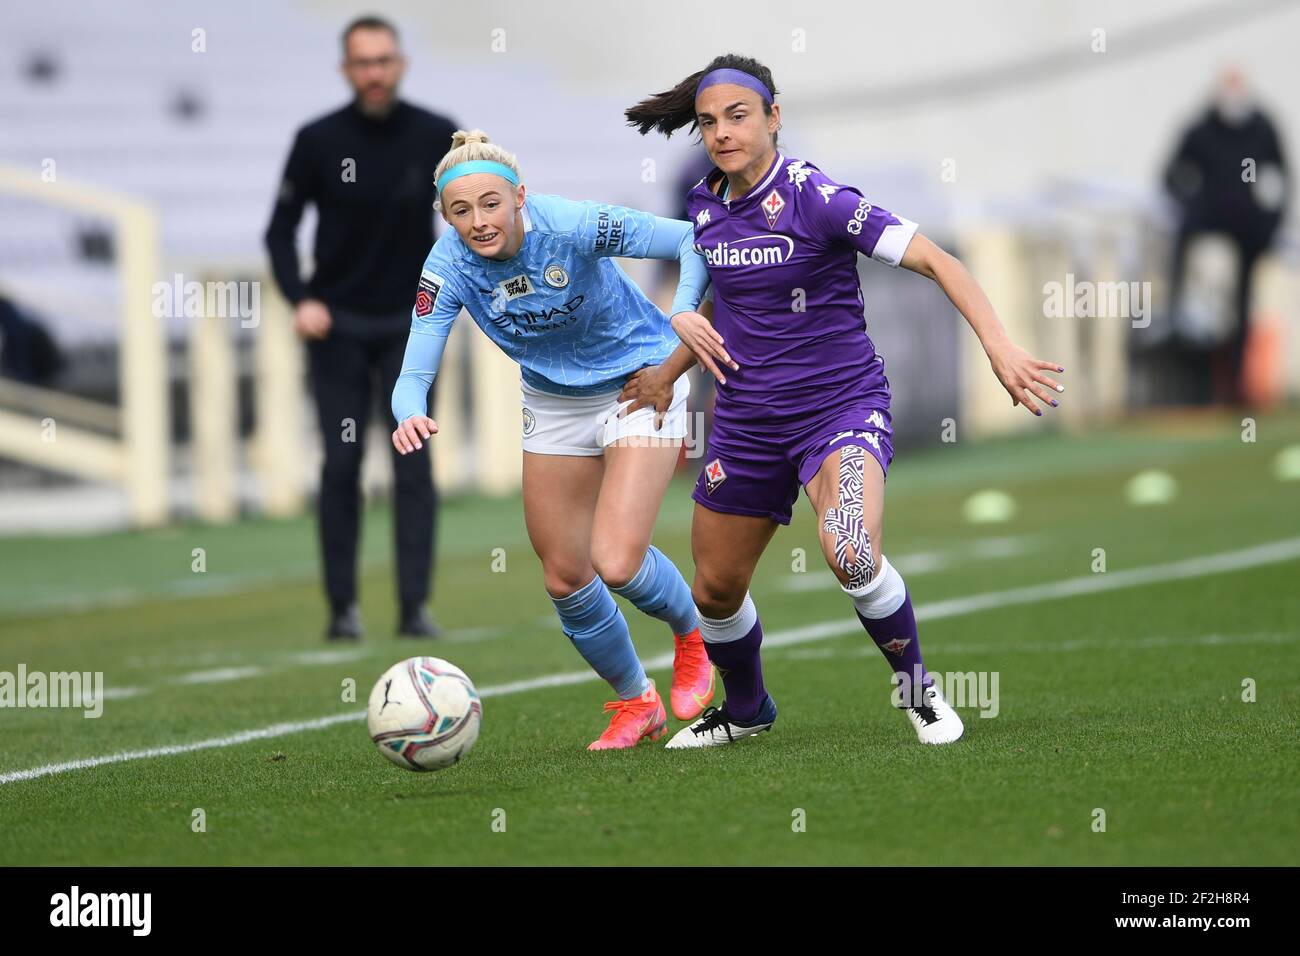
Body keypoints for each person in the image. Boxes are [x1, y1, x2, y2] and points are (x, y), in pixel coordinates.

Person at [622, 53, 1066, 747]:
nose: (722, 132)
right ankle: (746, 711)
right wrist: (669, 372)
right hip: (745, 421)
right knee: (713, 590)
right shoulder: (706, 203)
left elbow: (939, 261)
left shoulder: (819, 198)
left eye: (738, 116)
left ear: (774, 117)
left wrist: (1000, 347)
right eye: (709, 122)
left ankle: (919, 693)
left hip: (838, 409)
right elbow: (725, 300)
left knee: (852, 551)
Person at [390, 130, 716, 750]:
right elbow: (413, 373)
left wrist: (683, 313)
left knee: (615, 561)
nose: (479, 222)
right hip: (553, 402)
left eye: (491, 203)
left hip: (640, 383)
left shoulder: (571, 224)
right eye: (461, 211)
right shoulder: (446, 267)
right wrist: (409, 412)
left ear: (520, 197)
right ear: (445, 215)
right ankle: (635, 702)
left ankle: (692, 632)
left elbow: (689, 237)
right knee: (565, 576)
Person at [264, 16, 458, 640]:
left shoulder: (437, 134)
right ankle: (343, 610)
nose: (374, 72)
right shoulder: (317, 139)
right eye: (362, 62)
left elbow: (471, 218)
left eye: (383, 60)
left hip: (415, 326)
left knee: (413, 466)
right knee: (342, 464)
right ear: (347, 70)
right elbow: (279, 230)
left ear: (399, 64)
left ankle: (413, 609)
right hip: (338, 328)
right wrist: (300, 298)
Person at [1163, 65, 1289, 405]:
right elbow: (1171, 174)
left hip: (1247, 229)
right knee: (1202, 307)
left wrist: (1270, 221)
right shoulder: (1202, 128)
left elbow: (1281, 176)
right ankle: (1195, 388)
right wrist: (1194, 205)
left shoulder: (1262, 127)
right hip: (1209, 226)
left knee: (1241, 310)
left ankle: (1236, 386)